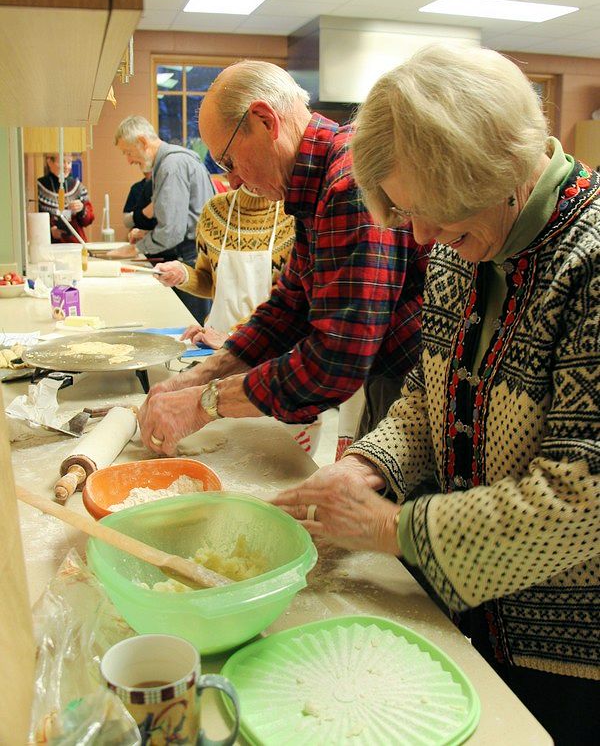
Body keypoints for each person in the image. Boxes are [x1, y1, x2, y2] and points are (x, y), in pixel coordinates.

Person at [272, 44, 600, 744]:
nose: (417, 236)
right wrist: (368, 466)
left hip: (570, 659)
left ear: (501, 168)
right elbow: (428, 392)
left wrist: (391, 528)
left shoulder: (591, 264)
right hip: (471, 610)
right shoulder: (462, 244)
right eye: (403, 210)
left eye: (428, 211)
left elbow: (580, 500)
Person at [137, 61, 428, 460]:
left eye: (228, 161)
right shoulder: (314, 182)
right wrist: (203, 373)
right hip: (391, 377)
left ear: (264, 120)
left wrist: (205, 402)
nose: (233, 181)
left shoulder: (347, 183)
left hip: (415, 390)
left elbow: (335, 362)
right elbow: (288, 306)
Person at [154, 184, 324, 454]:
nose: (232, 178)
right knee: (217, 452)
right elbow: (210, 281)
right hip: (218, 352)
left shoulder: (294, 216)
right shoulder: (215, 212)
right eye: (225, 162)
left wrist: (233, 336)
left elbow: (292, 308)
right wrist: (184, 277)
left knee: (270, 459)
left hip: (276, 359)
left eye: (234, 162)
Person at [114, 116, 215, 321]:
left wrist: (137, 248)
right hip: (196, 255)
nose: (129, 160)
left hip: (190, 260)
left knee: (190, 329)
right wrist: (148, 234)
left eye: (128, 152)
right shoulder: (174, 161)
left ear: (142, 142)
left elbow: (171, 232)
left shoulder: (171, 165)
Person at [37, 153, 94, 243]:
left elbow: (88, 220)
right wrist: (50, 232)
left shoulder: (78, 187)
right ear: (49, 162)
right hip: (49, 246)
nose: (66, 167)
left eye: (69, 162)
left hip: (75, 245)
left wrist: (82, 209)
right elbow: (33, 222)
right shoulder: (39, 187)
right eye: (62, 162)